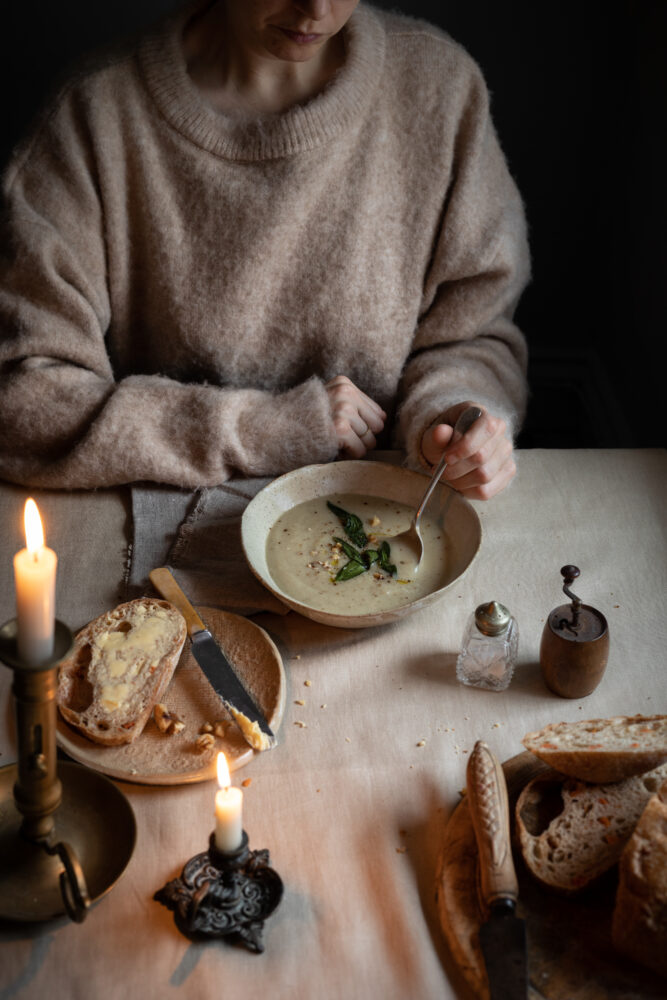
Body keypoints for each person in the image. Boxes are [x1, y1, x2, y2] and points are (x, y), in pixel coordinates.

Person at [0, 0, 530, 499]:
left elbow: (473, 333)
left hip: (385, 510)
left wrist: (453, 420)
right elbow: (26, 402)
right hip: (164, 512)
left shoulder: (440, 87)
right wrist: (260, 429)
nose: (317, 9)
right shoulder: (95, 114)